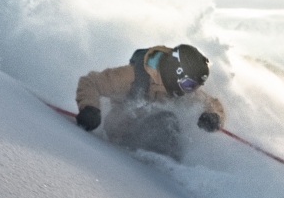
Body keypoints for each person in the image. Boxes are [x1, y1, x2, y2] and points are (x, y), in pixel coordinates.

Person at [75, 44, 225, 160]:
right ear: (176, 73)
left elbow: (211, 103)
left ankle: (172, 164)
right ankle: (165, 166)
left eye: (195, 87)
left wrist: (213, 116)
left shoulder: (182, 90)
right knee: (167, 120)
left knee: (167, 122)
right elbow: (91, 82)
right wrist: (89, 108)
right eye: (189, 85)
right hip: (121, 131)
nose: (191, 91)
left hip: (153, 134)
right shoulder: (134, 76)